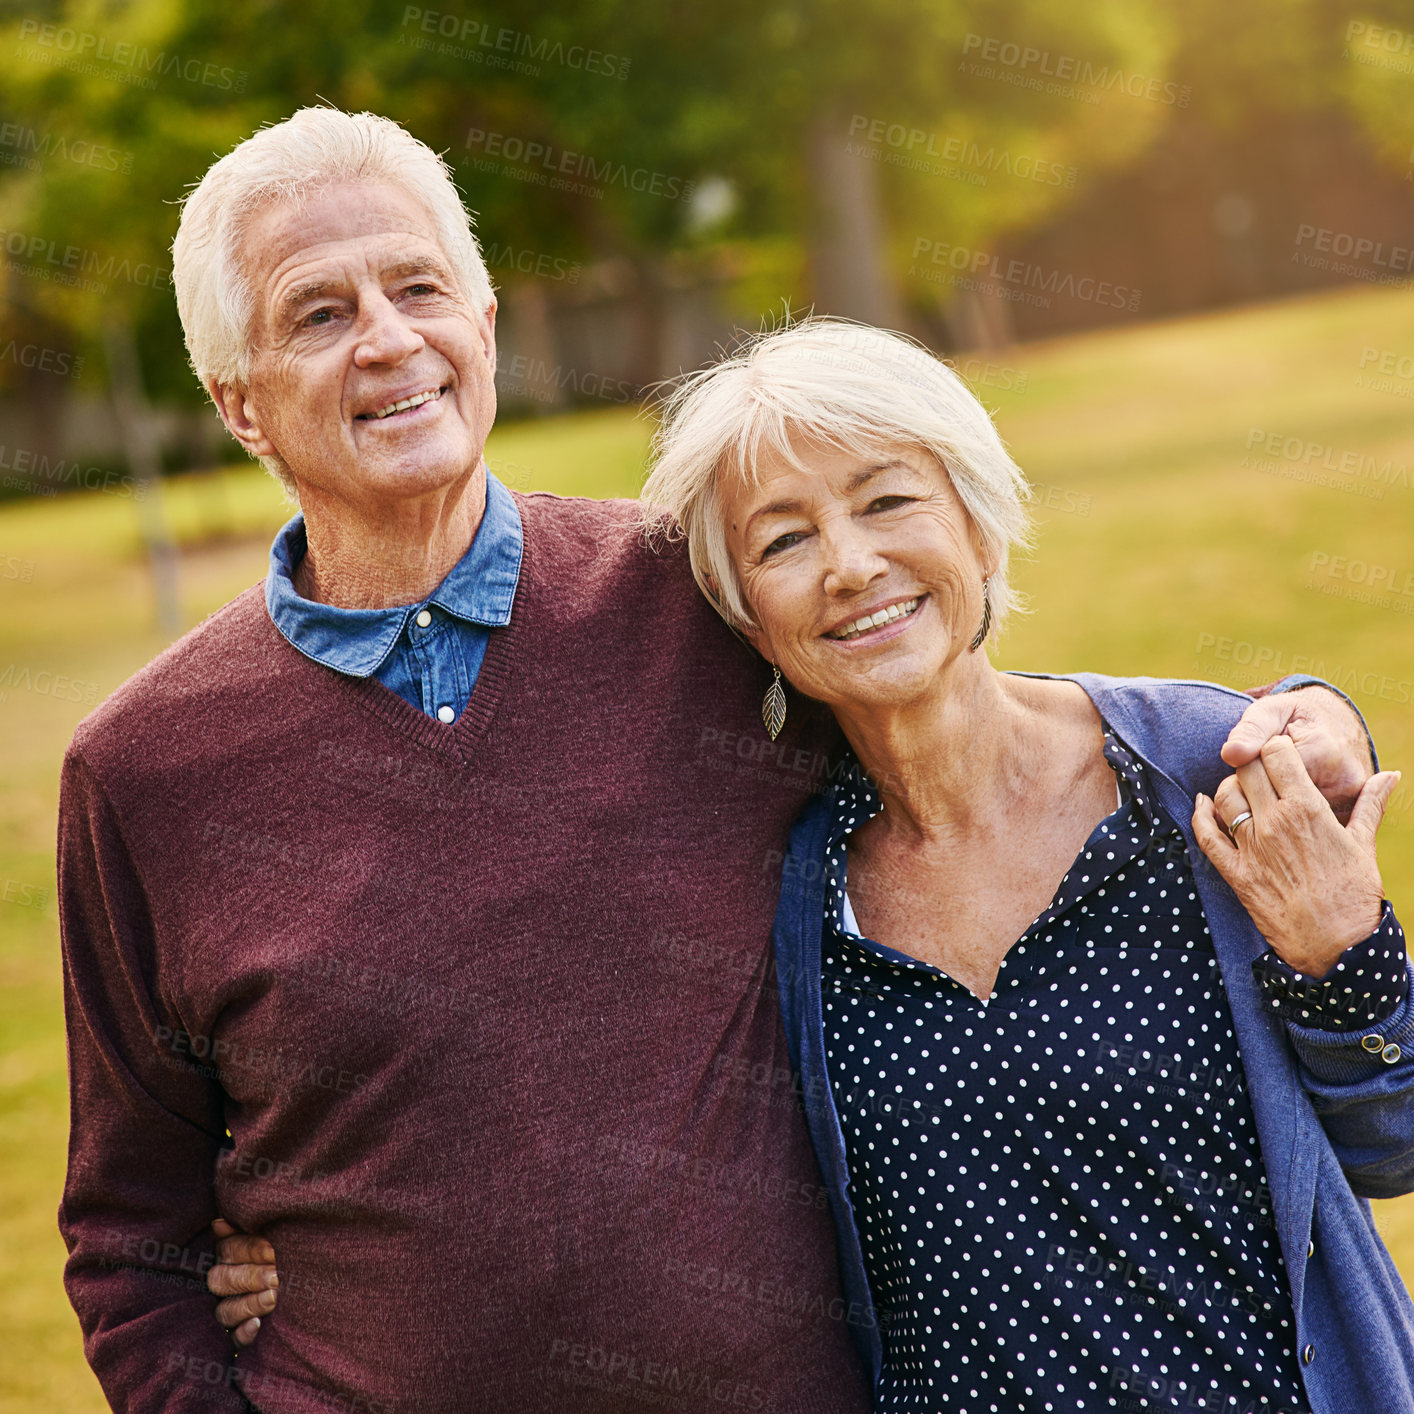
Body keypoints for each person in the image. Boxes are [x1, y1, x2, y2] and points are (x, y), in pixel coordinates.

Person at [57, 104, 1373, 1414]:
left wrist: (1298, 722)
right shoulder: (145, 773)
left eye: (418, 287)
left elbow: (946, 681)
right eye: (320, 313)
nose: (390, 339)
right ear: (238, 402)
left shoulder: (689, 593)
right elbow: (132, 1237)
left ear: (485, 322)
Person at [636, 318, 1414, 1411]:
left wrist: (1341, 951)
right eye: (782, 541)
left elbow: (1395, 1142)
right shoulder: (779, 895)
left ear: (980, 528)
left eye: (886, 500)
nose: (851, 565)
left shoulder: (1200, 769)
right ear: (752, 625)